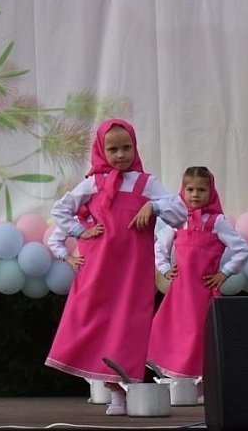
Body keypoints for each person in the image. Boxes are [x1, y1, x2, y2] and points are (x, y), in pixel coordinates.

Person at [45, 118, 185, 417]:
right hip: (99, 269)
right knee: (95, 321)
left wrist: (153, 206)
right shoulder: (94, 182)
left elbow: (179, 211)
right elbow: (61, 209)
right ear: (101, 150)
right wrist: (80, 232)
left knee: (128, 326)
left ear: (135, 147)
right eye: (113, 149)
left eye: (126, 147)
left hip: (132, 271)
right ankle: (113, 392)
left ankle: (124, 388)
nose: (121, 154)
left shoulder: (146, 183)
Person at [147, 166, 248, 383]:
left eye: (201, 190)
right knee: (176, 332)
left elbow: (242, 249)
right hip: (181, 293)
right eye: (190, 189)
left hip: (204, 293)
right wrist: (165, 268)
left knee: (202, 335)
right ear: (182, 191)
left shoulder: (216, 223)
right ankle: (180, 379)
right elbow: (159, 247)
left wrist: (224, 273)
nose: (195, 194)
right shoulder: (177, 221)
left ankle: (205, 382)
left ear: (211, 192)